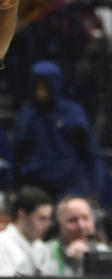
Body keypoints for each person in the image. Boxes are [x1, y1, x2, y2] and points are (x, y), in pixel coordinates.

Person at [13, 60, 105, 199]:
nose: (40, 93)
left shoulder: (73, 113)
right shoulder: (27, 115)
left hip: (69, 187)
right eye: (37, 87)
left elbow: (90, 153)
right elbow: (18, 154)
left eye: (45, 87)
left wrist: (94, 189)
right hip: (35, 189)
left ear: (54, 86)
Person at [44, 195, 109, 276]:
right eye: (73, 220)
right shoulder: (43, 253)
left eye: (85, 218)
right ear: (59, 225)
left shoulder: (104, 252)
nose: (81, 226)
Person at [0, 186, 54, 276]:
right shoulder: (2, 245)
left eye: (49, 219)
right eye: (42, 218)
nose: (47, 225)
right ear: (22, 215)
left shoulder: (41, 246)